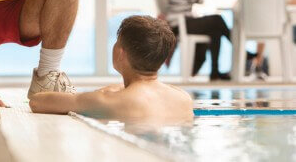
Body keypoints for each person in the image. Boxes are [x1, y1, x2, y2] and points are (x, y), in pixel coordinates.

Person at [30, 15, 193, 123]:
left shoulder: (111, 100)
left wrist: (102, 93)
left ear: (121, 53)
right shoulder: (184, 98)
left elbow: (37, 102)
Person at [165, 0, 231, 80]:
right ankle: (241, 51)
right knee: (217, 19)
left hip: (183, 22)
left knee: (215, 31)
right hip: (180, 24)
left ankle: (215, 72)